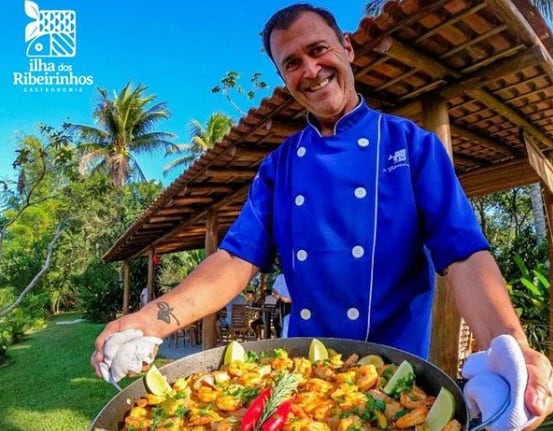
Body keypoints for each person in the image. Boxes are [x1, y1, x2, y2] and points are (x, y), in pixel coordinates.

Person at [92, 4, 553, 426]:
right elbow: (235, 259)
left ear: (346, 48)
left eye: (318, 50)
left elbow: (464, 254)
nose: (310, 70)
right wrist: (150, 319)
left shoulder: (412, 147)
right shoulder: (279, 166)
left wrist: (512, 349)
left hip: (395, 383)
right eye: (292, 63)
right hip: (304, 381)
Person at [272, 273, 291, 338]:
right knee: (279, 323)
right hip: (282, 305)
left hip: (293, 305)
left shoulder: (281, 277)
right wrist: (280, 297)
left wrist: (289, 299)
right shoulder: (280, 277)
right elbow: (274, 293)